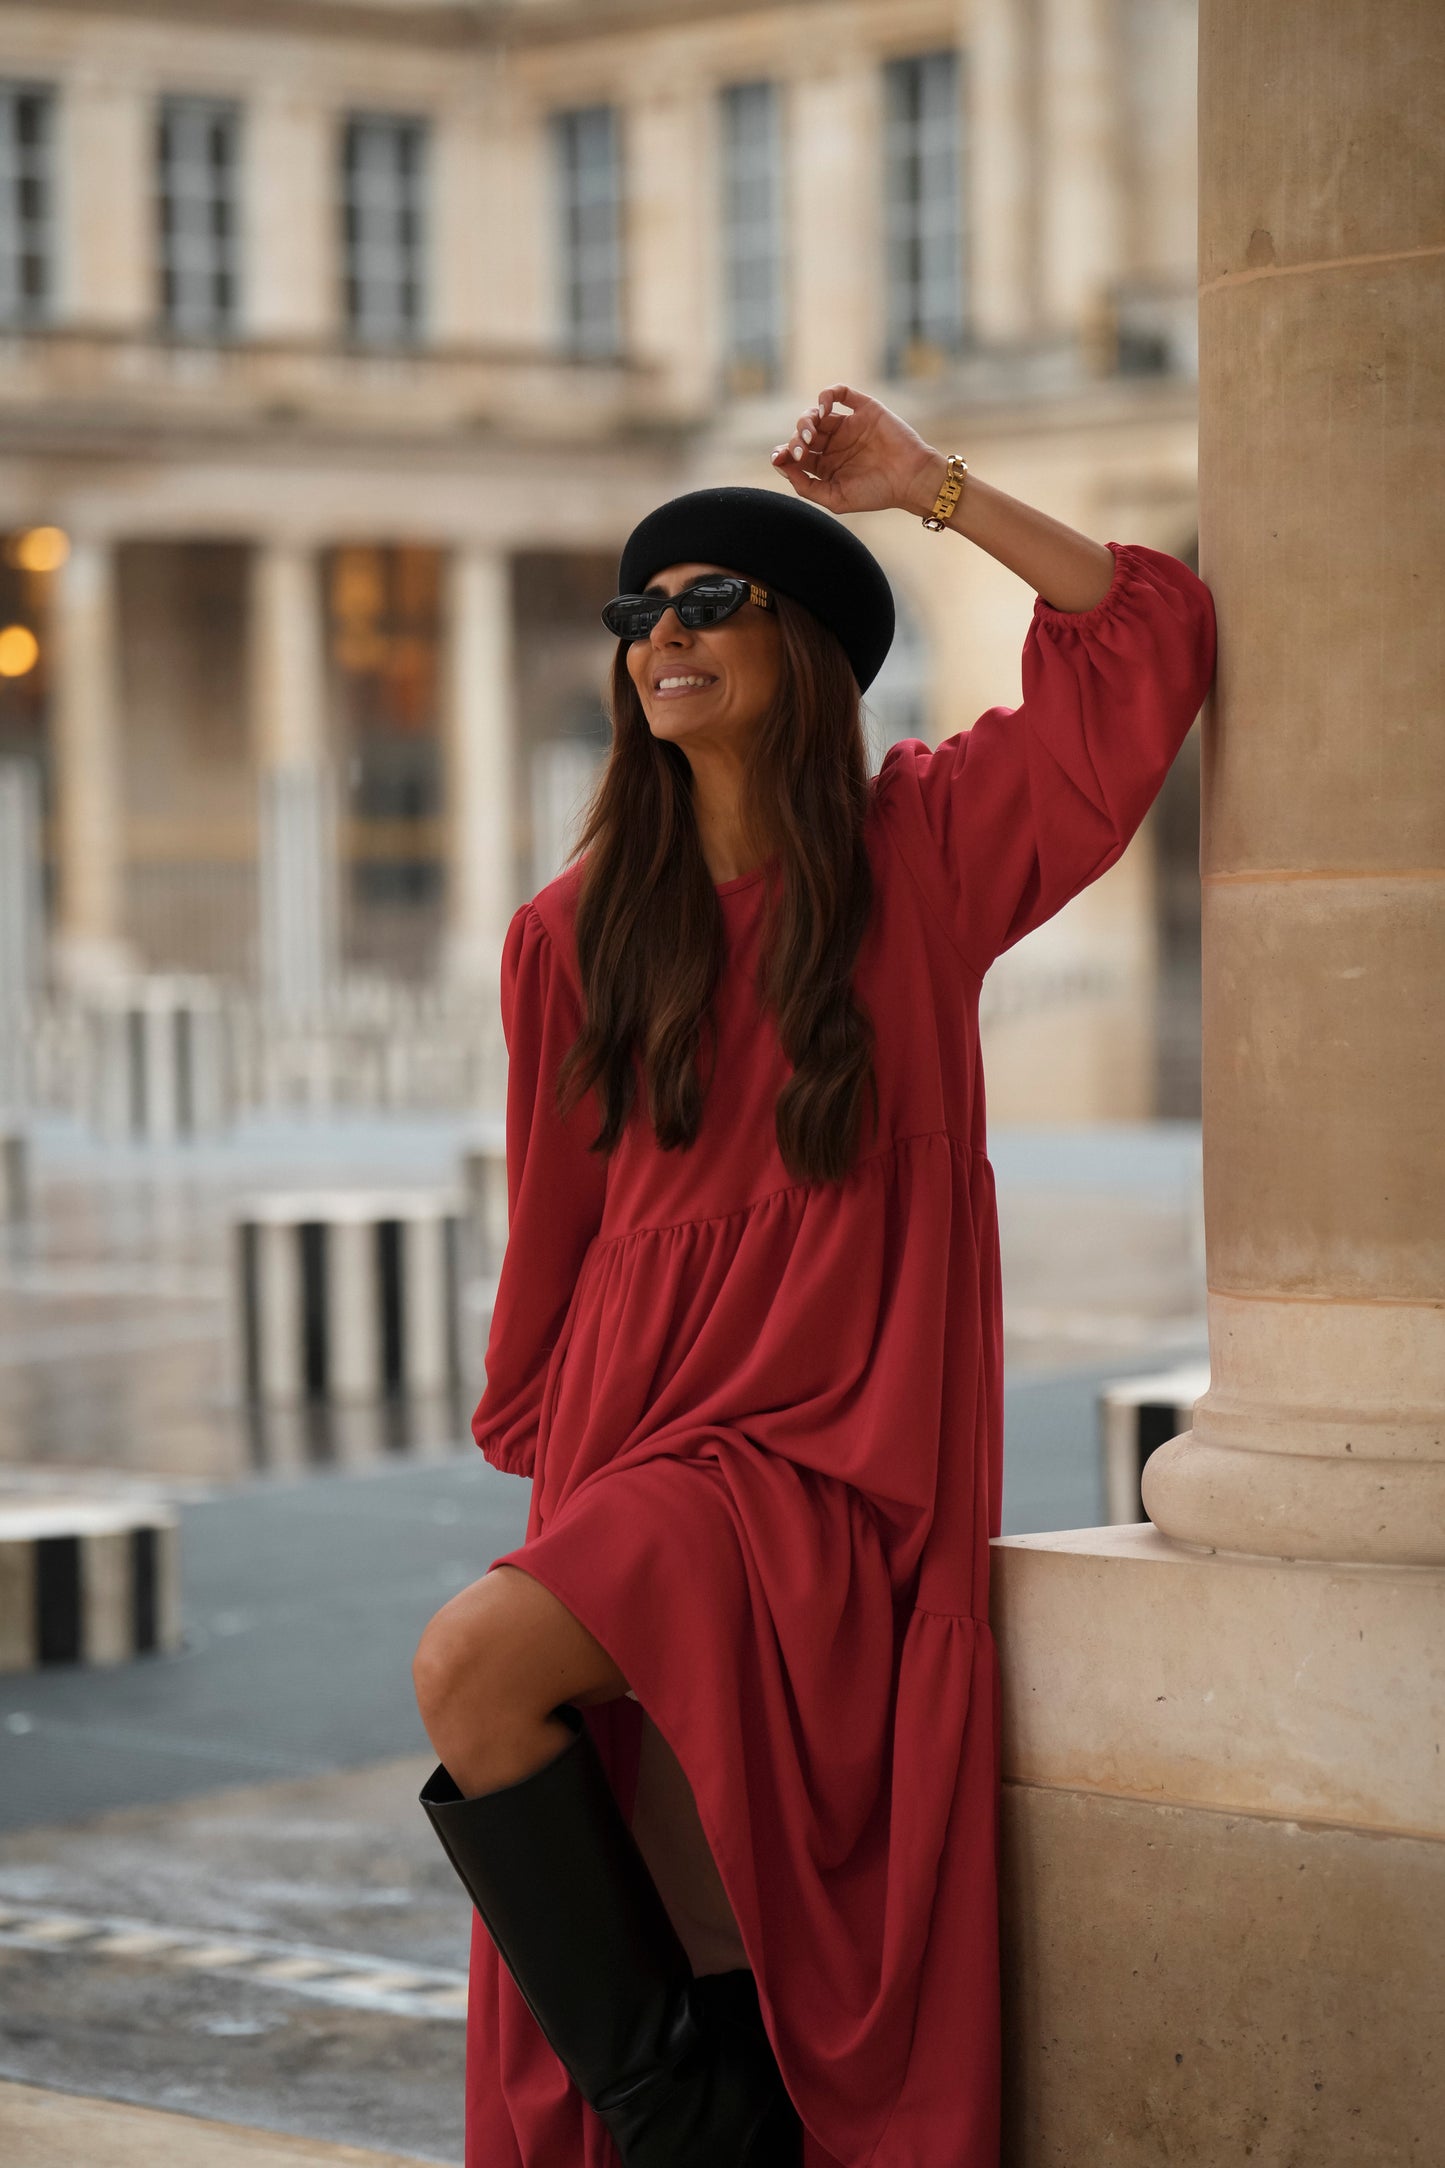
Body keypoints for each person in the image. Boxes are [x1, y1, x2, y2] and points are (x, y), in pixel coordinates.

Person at [411, 383, 1218, 2168]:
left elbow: (1141, 639)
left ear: (809, 653)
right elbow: (561, 1221)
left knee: (478, 1669)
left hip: (837, 1451)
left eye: (711, 603)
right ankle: (707, 2130)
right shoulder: (570, 931)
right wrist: (554, 1446)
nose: (663, 637)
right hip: (640, 1434)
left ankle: (695, 2130)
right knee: (685, 1859)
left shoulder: (921, 854)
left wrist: (927, 489)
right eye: (641, 614)